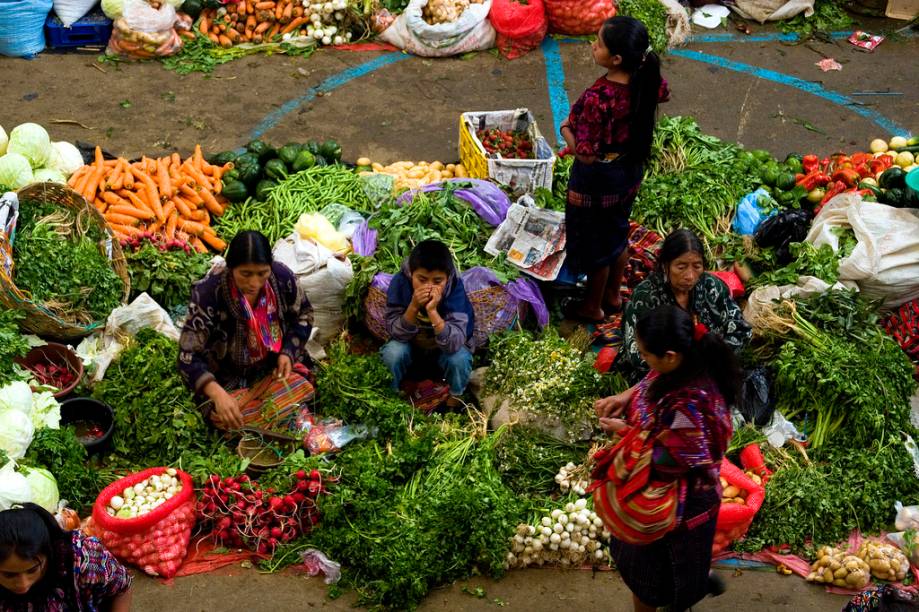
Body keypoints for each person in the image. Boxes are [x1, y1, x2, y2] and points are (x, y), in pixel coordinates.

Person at [594, 305, 739, 612]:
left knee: (651, 580)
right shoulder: (683, 364)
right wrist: (626, 396)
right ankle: (696, 581)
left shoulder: (690, 404)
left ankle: (682, 591)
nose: (644, 359)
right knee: (680, 568)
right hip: (676, 498)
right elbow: (651, 379)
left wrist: (627, 432)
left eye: (647, 354)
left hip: (678, 504)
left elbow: (669, 460)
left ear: (670, 355)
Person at [559, 15, 670, 323]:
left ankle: (592, 306)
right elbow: (664, 91)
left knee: (596, 245)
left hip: (599, 180)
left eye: (599, 43)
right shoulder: (646, 81)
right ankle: (613, 295)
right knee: (617, 233)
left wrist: (566, 129)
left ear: (616, 58)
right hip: (628, 170)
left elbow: (586, 155)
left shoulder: (600, 98)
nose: (593, 46)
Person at [178, 230, 315, 431]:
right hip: (227, 377)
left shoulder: (282, 278)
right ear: (231, 268)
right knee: (225, 415)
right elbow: (187, 356)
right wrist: (217, 394)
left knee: (301, 381)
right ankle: (271, 413)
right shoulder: (209, 293)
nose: (254, 283)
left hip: (272, 368)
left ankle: (267, 413)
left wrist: (288, 353)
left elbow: (304, 315)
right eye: (245, 274)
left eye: (262, 273)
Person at [620, 229, 751, 381]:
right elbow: (636, 354)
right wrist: (686, 369)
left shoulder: (712, 286)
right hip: (661, 377)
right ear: (665, 265)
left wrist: (714, 360)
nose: (690, 276)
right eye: (681, 267)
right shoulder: (645, 297)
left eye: (697, 266)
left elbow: (741, 329)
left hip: (710, 370)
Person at [381, 240, 474, 410]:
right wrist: (414, 306)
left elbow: (454, 343)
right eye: (422, 279)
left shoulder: (454, 288)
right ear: (411, 274)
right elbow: (396, 332)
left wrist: (432, 312)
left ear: (447, 278)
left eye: (437, 281)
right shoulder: (400, 283)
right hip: (411, 345)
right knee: (392, 353)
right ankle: (390, 398)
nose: (429, 287)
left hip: (443, 349)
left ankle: (455, 400)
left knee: (459, 358)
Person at [0, 503, 132, 611]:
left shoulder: (84, 559)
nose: (23, 585)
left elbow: (121, 588)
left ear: (49, 552)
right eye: (9, 575)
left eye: (32, 570)